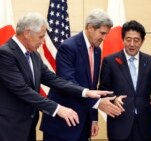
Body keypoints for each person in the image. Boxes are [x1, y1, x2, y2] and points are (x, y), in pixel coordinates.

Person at [0, 12, 121, 141]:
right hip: (9, 126)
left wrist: (85, 92)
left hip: (29, 124)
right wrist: (57, 108)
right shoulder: (5, 54)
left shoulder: (34, 55)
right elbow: (22, 90)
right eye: (41, 37)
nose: (43, 42)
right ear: (27, 32)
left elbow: (53, 79)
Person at [40, 9, 121, 141]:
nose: (104, 38)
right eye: (102, 33)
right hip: (62, 124)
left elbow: (92, 87)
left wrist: (93, 118)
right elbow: (68, 83)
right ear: (90, 27)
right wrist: (98, 103)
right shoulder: (68, 47)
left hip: (83, 123)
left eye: (107, 34)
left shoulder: (97, 50)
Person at [99, 20, 151, 141]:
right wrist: (114, 98)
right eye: (128, 39)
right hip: (119, 121)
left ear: (142, 41)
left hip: (144, 124)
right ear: (123, 39)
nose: (132, 44)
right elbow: (103, 89)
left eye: (136, 40)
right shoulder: (110, 61)